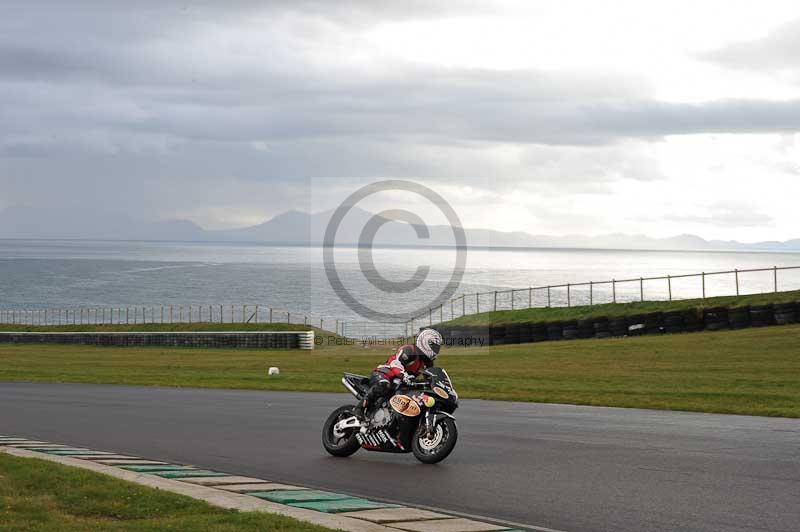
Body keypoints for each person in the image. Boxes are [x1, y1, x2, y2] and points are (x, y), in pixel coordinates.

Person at [353, 328, 443, 421]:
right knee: (384, 385)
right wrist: (404, 375)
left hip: (401, 383)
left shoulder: (427, 362)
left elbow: (429, 378)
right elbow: (396, 363)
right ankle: (359, 408)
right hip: (385, 373)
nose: (436, 350)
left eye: (437, 348)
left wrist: (435, 386)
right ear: (425, 343)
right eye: (434, 347)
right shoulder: (410, 350)